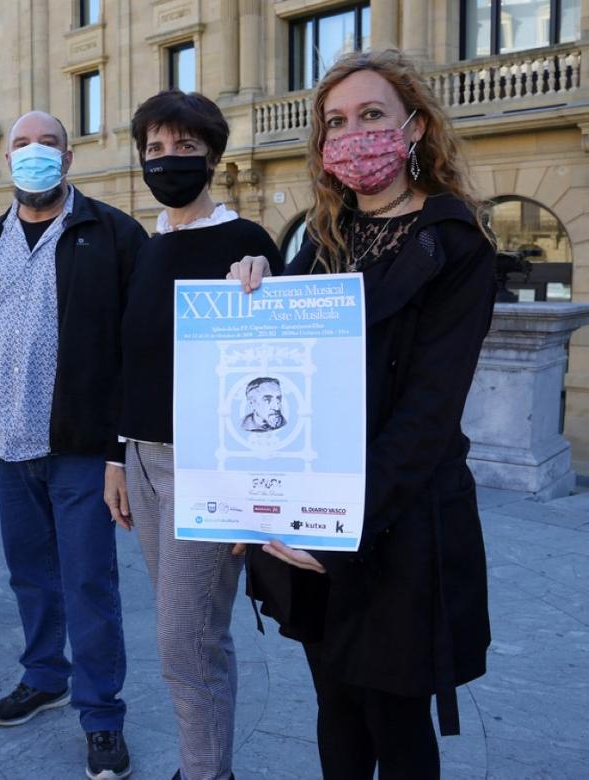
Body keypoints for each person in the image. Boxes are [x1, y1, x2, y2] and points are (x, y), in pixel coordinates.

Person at [230, 50, 494, 779]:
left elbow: (429, 414)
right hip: (313, 517)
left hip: (395, 524)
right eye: (336, 122)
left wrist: (334, 524)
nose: (354, 133)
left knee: (396, 720)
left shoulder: (455, 242)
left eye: (372, 115)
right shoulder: (323, 239)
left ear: (414, 128)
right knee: (336, 706)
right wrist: (253, 288)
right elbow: (278, 374)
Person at [0, 110, 147, 780]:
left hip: (82, 450)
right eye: (23, 144)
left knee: (89, 580)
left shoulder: (111, 233)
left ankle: (101, 716)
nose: (35, 153)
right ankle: (44, 676)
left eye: (49, 144)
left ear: (70, 156)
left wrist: (121, 451)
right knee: (30, 575)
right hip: (4, 445)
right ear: (7, 159)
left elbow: (137, 347)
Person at [104, 90, 283, 780]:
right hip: (146, 462)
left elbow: (289, 361)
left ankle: (206, 774)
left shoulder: (247, 242)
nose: (167, 160)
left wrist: (266, 283)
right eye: (154, 149)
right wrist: (120, 455)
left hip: (212, 465)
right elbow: (133, 361)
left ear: (213, 154)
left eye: (183, 147)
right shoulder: (151, 247)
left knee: (184, 641)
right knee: (193, 633)